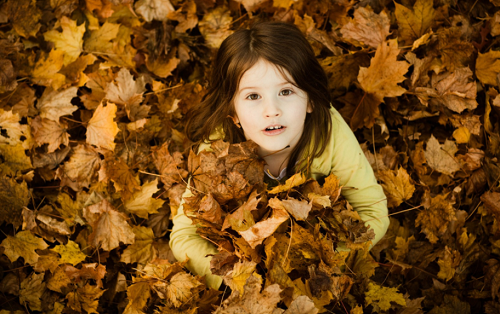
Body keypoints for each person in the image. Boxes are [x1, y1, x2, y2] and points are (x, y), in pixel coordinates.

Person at [169, 21, 389, 290]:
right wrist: (240, 281)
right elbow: (183, 236)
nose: (271, 110)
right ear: (233, 111)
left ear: (309, 100)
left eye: (286, 92)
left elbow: (374, 212)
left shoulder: (328, 133)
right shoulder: (218, 150)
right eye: (252, 97)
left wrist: (325, 265)